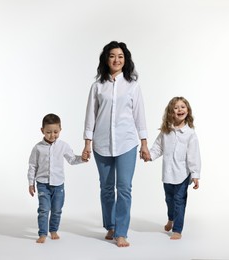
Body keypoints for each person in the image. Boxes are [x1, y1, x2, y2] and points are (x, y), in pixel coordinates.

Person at [82, 41, 150, 247]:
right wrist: (87, 143)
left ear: (125, 59)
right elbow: (90, 117)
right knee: (106, 188)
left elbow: (140, 117)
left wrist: (144, 144)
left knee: (124, 188)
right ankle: (110, 226)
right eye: (112, 56)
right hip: (101, 144)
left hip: (127, 143)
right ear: (106, 59)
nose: (116, 59)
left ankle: (122, 232)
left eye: (120, 56)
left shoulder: (133, 86)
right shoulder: (97, 86)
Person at [28, 113, 88, 243]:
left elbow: (72, 159)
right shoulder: (37, 148)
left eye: (55, 131)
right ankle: (42, 233)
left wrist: (82, 159)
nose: (52, 135)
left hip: (58, 185)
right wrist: (31, 183)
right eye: (48, 132)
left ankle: (53, 230)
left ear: (60, 129)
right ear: (42, 130)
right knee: (44, 209)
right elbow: (32, 166)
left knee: (56, 210)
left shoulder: (63, 146)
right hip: (42, 184)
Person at [147, 96, 201, 240]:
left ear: (188, 111)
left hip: (182, 174)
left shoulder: (190, 134)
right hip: (167, 174)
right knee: (169, 199)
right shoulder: (166, 131)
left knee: (179, 201)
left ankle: (177, 229)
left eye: (183, 107)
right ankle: (170, 219)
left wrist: (195, 175)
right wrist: (149, 156)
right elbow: (158, 148)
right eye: (176, 107)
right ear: (170, 112)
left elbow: (194, 156)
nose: (179, 109)